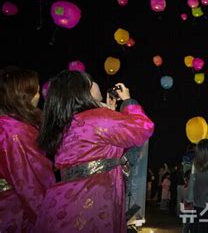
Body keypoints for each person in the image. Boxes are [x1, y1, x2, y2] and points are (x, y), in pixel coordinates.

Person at [34, 70, 155, 233]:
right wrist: (128, 101)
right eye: (91, 81)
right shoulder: (98, 117)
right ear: (82, 90)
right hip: (93, 198)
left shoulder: (68, 122)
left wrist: (111, 112)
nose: (96, 83)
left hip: (67, 199)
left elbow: (111, 148)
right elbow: (143, 128)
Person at [0, 67, 56, 233]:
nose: (39, 97)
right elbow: (31, 183)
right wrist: (51, 218)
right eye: (36, 91)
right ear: (23, 97)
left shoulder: (7, 125)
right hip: (16, 213)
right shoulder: (15, 132)